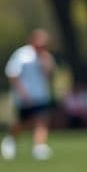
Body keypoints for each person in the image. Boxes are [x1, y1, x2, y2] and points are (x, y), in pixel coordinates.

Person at [3, 29, 56, 160]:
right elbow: (12, 73)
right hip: (25, 97)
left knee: (42, 120)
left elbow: (50, 75)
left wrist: (46, 62)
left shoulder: (46, 57)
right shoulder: (22, 55)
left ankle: (39, 147)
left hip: (41, 96)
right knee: (22, 123)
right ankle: (10, 140)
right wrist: (22, 91)